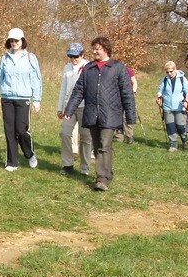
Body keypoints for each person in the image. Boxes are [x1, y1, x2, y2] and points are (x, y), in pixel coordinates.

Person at [64, 36, 136, 192]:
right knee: (97, 147)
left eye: (98, 48)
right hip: (92, 113)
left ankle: (102, 179)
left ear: (106, 50)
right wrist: (69, 109)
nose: (95, 51)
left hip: (110, 114)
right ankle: (107, 173)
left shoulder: (118, 67)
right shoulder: (88, 68)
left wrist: (130, 116)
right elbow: (79, 90)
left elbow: (127, 93)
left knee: (104, 145)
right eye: (94, 48)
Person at [0, 28, 43, 171]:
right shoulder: (4, 58)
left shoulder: (30, 58)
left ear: (22, 41)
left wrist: (37, 99)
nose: (14, 43)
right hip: (7, 99)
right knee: (10, 131)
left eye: (16, 40)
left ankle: (29, 154)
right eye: (11, 41)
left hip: (24, 99)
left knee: (21, 130)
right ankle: (12, 162)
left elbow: (36, 79)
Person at [56, 42, 91, 176]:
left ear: (83, 55)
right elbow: (63, 88)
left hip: (84, 106)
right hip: (69, 107)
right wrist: (60, 107)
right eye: (71, 56)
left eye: (76, 56)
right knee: (65, 133)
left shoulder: (89, 67)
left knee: (86, 137)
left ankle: (84, 168)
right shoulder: (67, 68)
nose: (73, 59)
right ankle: (67, 164)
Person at [156, 61, 188, 152]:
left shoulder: (182, 79)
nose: (169, 74)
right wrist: (159, 96)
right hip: (167, 106)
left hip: (179, 106)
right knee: (170, 126)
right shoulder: (164, 79)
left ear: (175, 69)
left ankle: (184, 139)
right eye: (167, 72)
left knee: (180, 126)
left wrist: (186, 101)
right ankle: (173, 144)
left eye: (171, 71)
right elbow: (160, 90)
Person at [114, 65, 138, 143]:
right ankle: (119, 136)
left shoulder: (128, 71)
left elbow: (134, 82)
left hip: (127, 96)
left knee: (126, 117)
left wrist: (133, 92)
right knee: (117, 116)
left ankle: (129, 135)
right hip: (117, 97)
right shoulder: (114, 71)